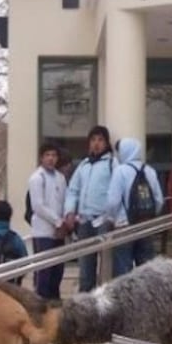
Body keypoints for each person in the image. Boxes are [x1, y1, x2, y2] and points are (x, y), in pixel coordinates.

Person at [63, 125, 116, 292]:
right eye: (93, 140)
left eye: (100, 140)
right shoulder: (84, 166)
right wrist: (70, 211)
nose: (96, 144)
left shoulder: (112, 163)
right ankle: (86, 301)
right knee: (86, 266)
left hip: (104, 220)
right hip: (85, 221)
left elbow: (117, 191)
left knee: (107, 266)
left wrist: (111, 216)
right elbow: (73, 190)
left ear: (107, 143)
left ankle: (106, 302)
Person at [106, 137, 164, 278]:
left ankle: (124, 299)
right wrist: (149, 215)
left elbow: (113, 201)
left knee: (123, 267)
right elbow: (159, 200)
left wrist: (111, 218)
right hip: (146, 224)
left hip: (124, 225)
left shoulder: (120, 171)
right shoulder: (150, 170)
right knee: (146, 268)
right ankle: (148, 297)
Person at [28, 143, 68, 299]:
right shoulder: (37, 178)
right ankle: (41, 307)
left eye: (54, 155)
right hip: (43, 232)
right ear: (41, 157)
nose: (51, 159)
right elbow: (38, 206)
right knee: (44, 273)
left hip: (59, 234)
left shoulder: (61, 178)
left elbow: (64, 202)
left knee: (57, 272)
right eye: (47, 155)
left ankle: (54, 306)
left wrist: (64, 223)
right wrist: (57, 221)